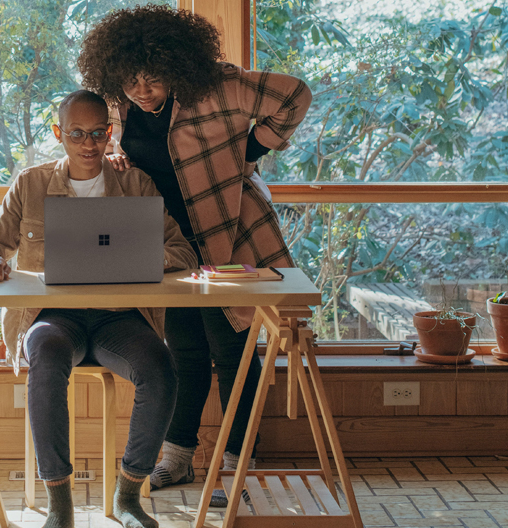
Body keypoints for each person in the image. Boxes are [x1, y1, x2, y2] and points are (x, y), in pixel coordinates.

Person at [77, 4, 312, 506]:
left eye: (153, 79)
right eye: (130, 80)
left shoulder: (219, 87)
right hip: (171, 246)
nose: (141, 90)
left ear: (177, 65)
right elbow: (136, 151)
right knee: (182, 347)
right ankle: (179, 458)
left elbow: (294, 94)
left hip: (230, 233)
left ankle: (236, 465)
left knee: (233, 348)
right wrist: (117, 153)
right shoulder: (122, 105)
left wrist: (252, 150)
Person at [0, 90, 197, 528]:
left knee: (161, 368)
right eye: (77, 134)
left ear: (110, 132)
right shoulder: (30, 184)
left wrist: (141, 256)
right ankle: (60, 504)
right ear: (59, 133)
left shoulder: (135, 184)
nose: (89, 144)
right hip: (53, 317)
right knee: (46, 359)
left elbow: (182, 252)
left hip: (121, 318)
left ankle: (129, 496)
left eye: (98, 133)